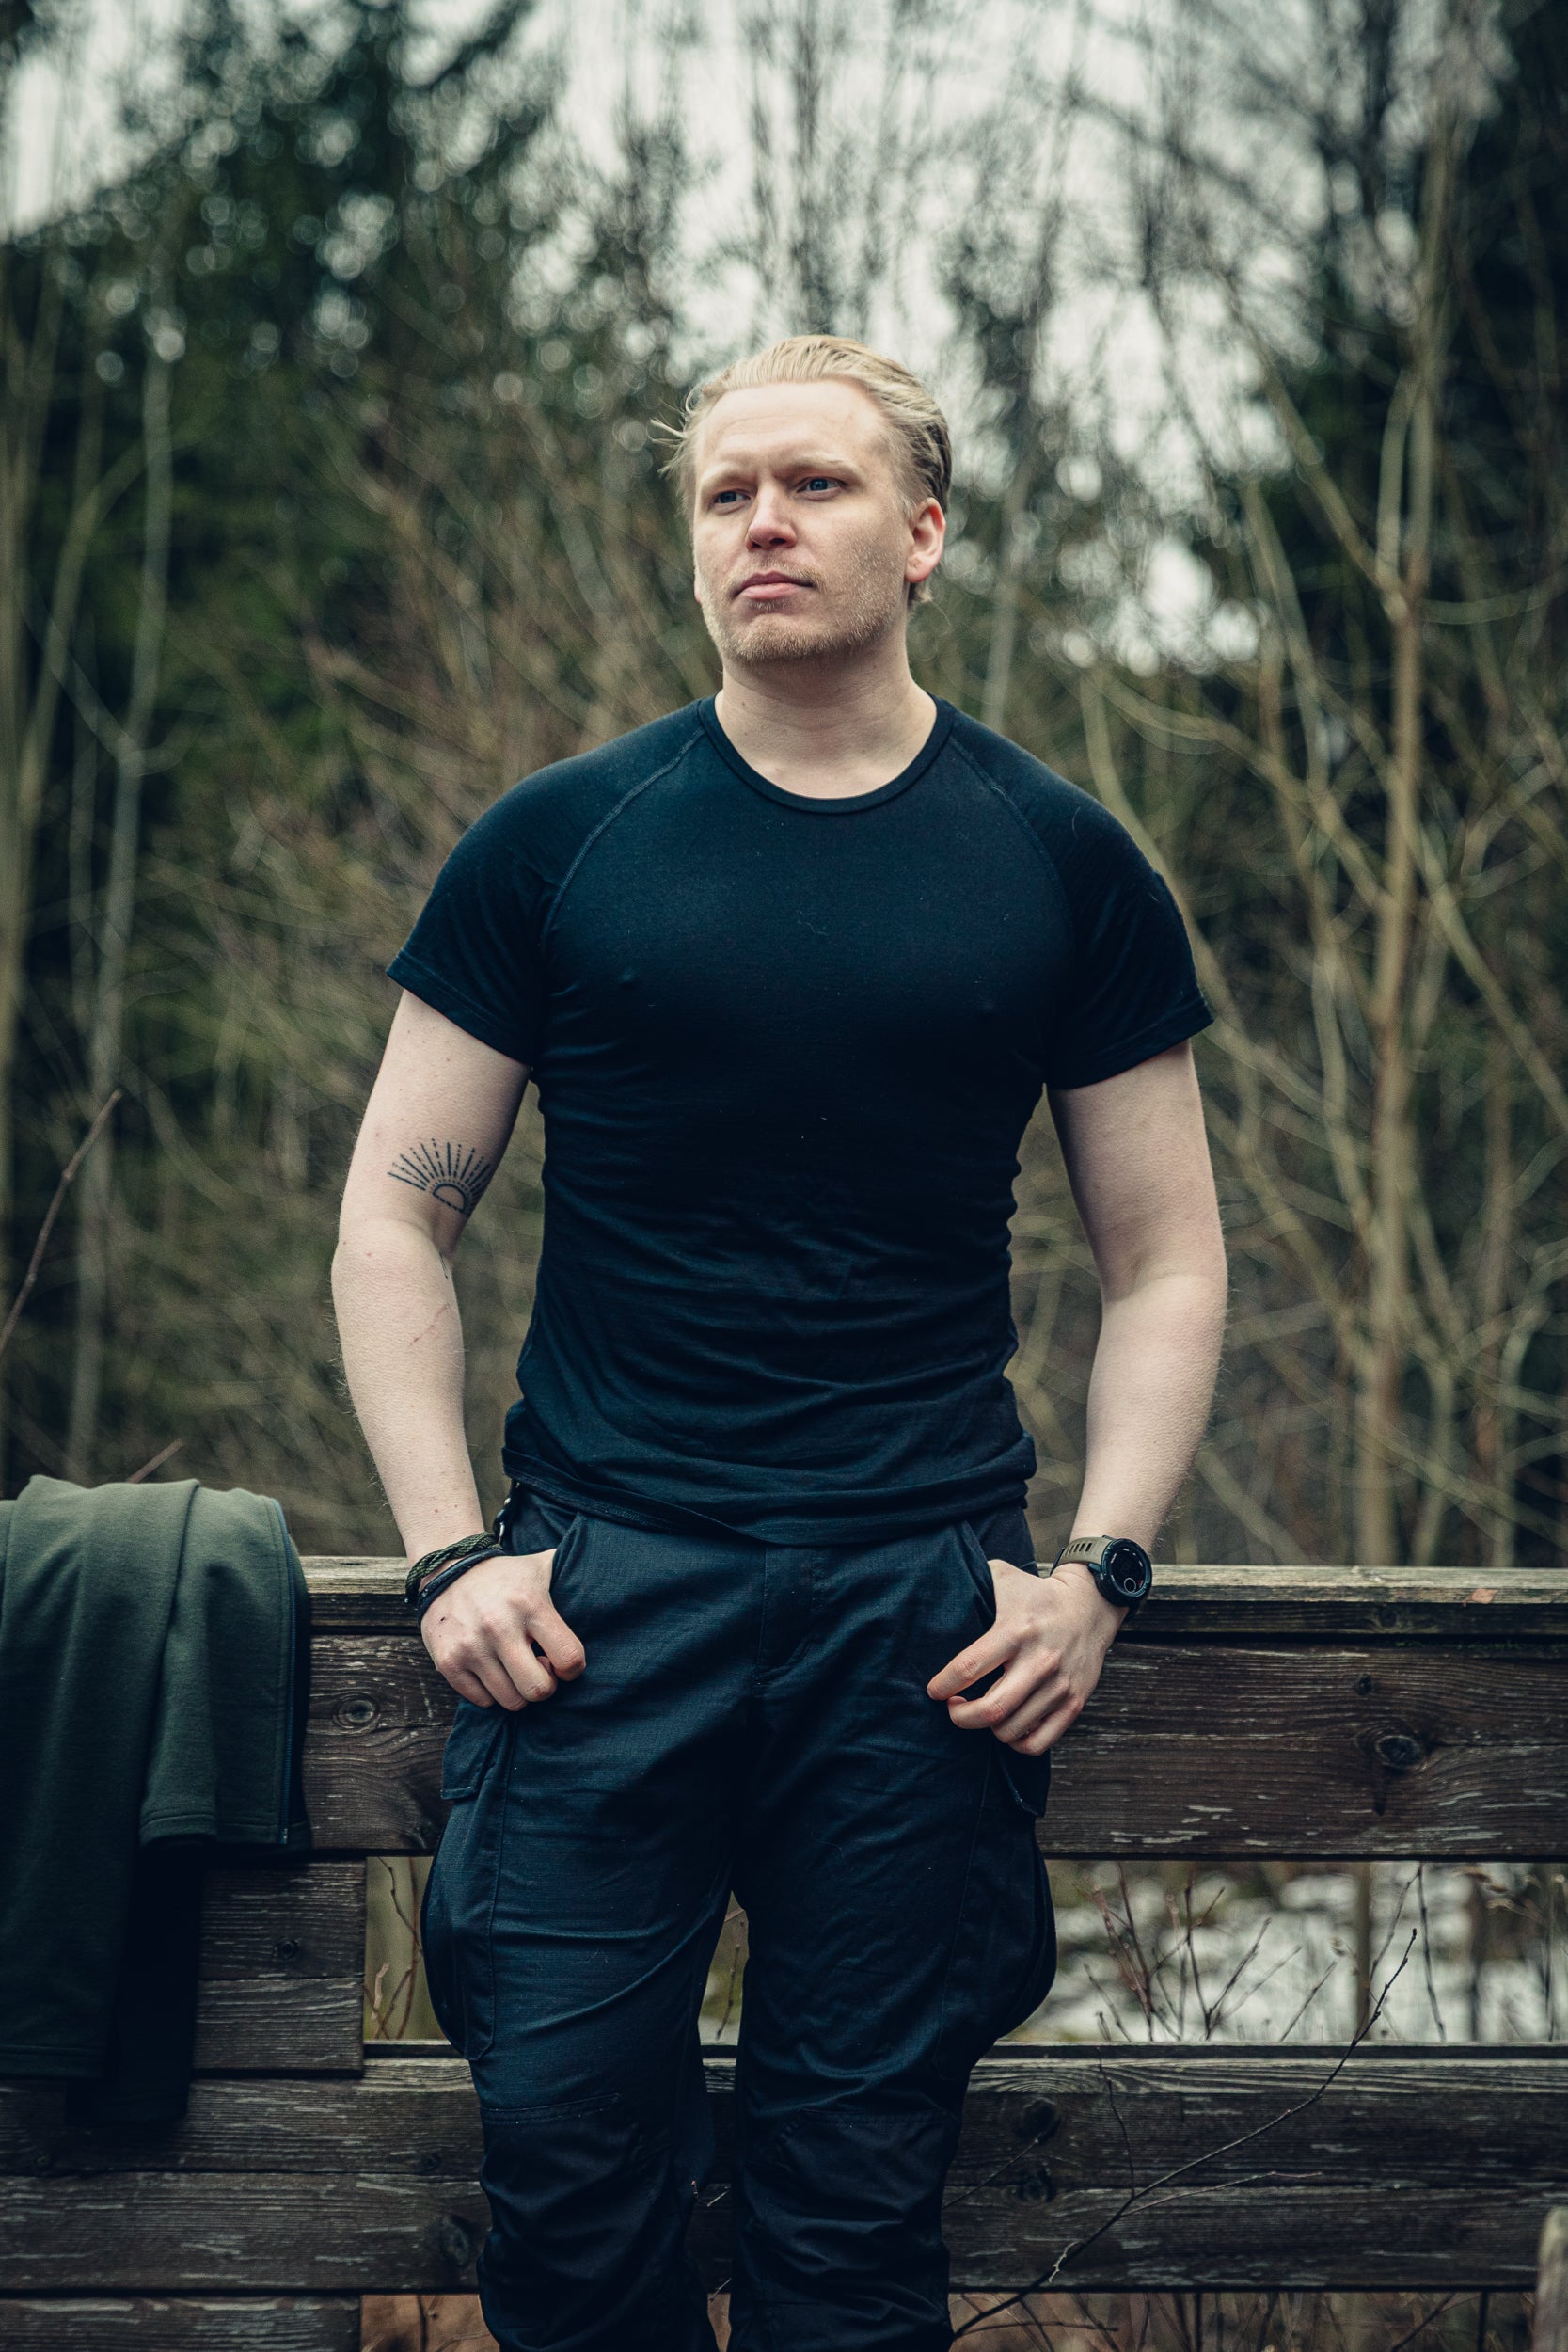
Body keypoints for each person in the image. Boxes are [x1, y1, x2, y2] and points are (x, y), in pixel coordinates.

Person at [332, 334, 1227, 2352]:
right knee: (565, 2187)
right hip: (595, 1603)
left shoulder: (1062, 860)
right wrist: (447, 1547)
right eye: (726, 491)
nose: (761, 521)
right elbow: (397, 1207)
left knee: (852, 2218)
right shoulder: (561, 839)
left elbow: (1166, 1252)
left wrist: (1103, 1570)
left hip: (923, 1620)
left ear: (923, 531)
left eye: (813, 485)